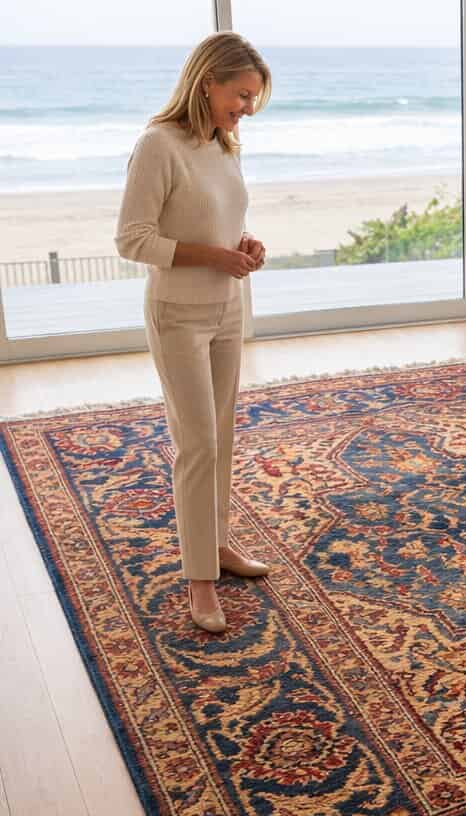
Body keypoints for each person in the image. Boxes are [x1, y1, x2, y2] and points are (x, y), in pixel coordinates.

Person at [115, 32, 273, 633]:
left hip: (227, 309)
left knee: (223, 437)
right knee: (197, 444)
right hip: (177, 314)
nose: (247, 108)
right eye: (241, 95)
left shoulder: (225, 145)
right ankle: (199, 580)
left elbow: (220, 218)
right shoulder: (159, 145)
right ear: (207, 81)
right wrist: (213, 255)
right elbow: (133, 239)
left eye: (254, 98)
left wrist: (243, 242)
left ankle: (219, 544)